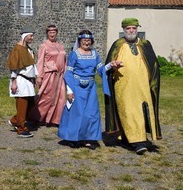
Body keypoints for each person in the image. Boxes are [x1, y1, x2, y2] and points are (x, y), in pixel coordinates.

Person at [104, 18, 162, 155]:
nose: (131, 31)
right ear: (124, 30)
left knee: (142, 112)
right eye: (128, 28)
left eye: (134, 28)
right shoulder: (117, 45)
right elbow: (107, 65)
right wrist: (113, 66)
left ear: (137, 30)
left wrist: (152, 82)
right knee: (128, 111)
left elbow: (154, 65)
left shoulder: (145, 44)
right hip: (123, 86)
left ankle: (127, 138)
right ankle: (138, 142)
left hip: (143, 86)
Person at [58, 30, 121, 149]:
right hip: (76, 86)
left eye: (88, 40)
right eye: (84, 40)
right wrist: (69, 90)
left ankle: (88, 138)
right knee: (78, 113)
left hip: (90, 87)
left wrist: (110, 65)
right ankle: (74, 138)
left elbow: (100, 69)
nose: (86, 42)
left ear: (91, 41)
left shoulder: (94, 54)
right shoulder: (74, 54)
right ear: (80, 41)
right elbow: (69, 73)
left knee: (91, 113)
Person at [29, 25, 66, 127]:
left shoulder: (60, 46)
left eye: (54, 32)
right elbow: (40, 61)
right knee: (45, 97)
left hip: (60, 76)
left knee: (60, 98)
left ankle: (55, 119)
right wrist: (39, 76)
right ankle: (37, 117)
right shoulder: (44, 46)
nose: (52, 34)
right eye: (50, 32)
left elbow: (64, 61)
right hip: (49, 75)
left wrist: (66, 74)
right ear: (47, 33)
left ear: (57, 33)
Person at [6, 26, 39, 138]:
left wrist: (35, 77)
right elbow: (13, 67)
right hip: (20, 80)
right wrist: (14, 81)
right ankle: (21, 128)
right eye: (31, 36)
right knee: (22, 105)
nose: (32, 38)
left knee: (30, 104)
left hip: (28, 81)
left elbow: (32, 65)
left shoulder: (28, 49)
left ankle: (15, 121)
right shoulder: (17, 49)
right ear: (25, 36)